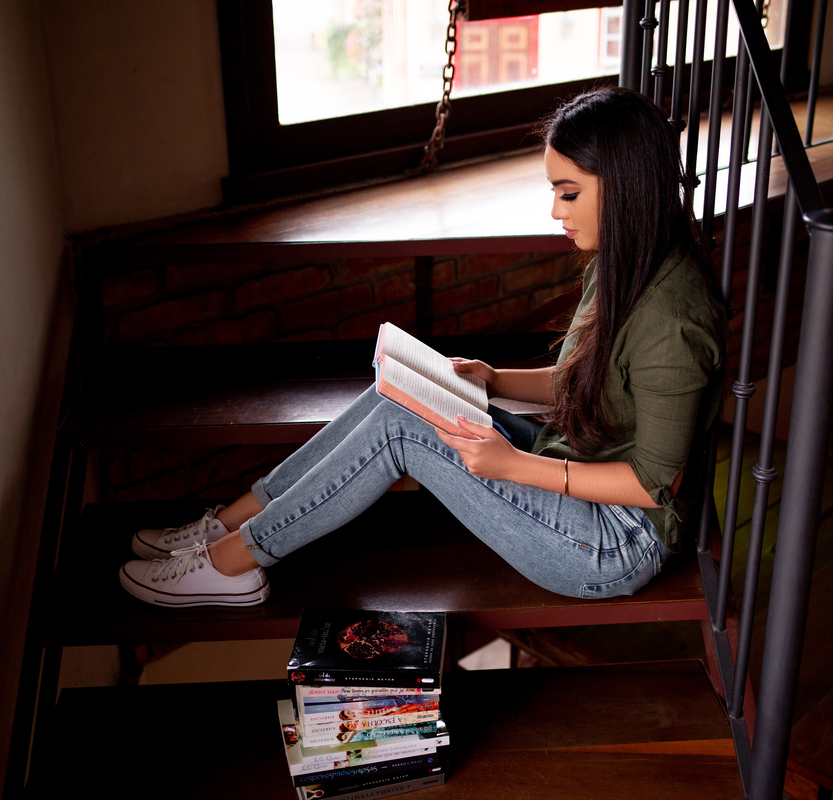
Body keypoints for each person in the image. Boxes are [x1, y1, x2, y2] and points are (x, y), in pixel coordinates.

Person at [117, 87, 728, 608]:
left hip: (614, 541)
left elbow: (654, 485)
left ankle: (230, 565)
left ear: (623, 189)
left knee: (406, 431)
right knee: (398, 400)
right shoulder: (627, 256)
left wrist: (513, 466)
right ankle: (228, 523)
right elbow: (588, 380)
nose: (554, 211)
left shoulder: (673, 315)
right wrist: (492, 379)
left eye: (568, 193)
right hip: (572, 464)